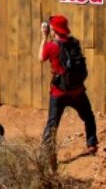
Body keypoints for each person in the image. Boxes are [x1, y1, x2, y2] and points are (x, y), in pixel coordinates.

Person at [40, 14, 97, 164]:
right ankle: (91, 145)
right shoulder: (75, 43)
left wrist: (43, 37)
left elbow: (41, 57)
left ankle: (49, 157)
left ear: (53, 30)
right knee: (89, 117)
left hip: (59, 92)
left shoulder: (52, 46)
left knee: (52, 125)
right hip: (77, 91)